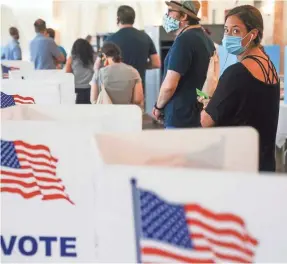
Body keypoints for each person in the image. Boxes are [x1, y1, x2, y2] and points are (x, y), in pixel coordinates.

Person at [200, 5, 280, 172]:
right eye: (226, 30)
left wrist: (205, 106)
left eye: (236, 31)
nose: (228, 36)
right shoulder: (269, 65)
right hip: (263, 161)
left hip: (239, 164)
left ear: (253, 34)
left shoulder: (237, 73)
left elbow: (206, 121)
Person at [152, 0, 215, 128]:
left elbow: (169, 85)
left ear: (184, 16)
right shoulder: (206, 39)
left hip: (180, 118)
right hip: (196, 114)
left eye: (170, 11)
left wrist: (158, 106)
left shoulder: (184, 41)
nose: (167, 15)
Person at [99, 5, 161, 90]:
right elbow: (156, 63)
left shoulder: (109, 40)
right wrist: (141, 65)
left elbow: (100, 64)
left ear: (118, 19)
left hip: (115, 88)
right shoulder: (145, 37)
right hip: (138, 88)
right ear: (133, 19)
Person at [90, 42, 144, 108]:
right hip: (127, 115)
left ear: (104, 56)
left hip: (106, 115)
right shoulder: (134, 71)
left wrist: (96, 68)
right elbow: (137, 100)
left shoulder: (99, 74)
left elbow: (93, 100)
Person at [66, 39, 94, 104]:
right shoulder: (93, 58)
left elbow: (67, 75)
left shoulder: (71, 59)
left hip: (76, 90)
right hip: (91, 90)